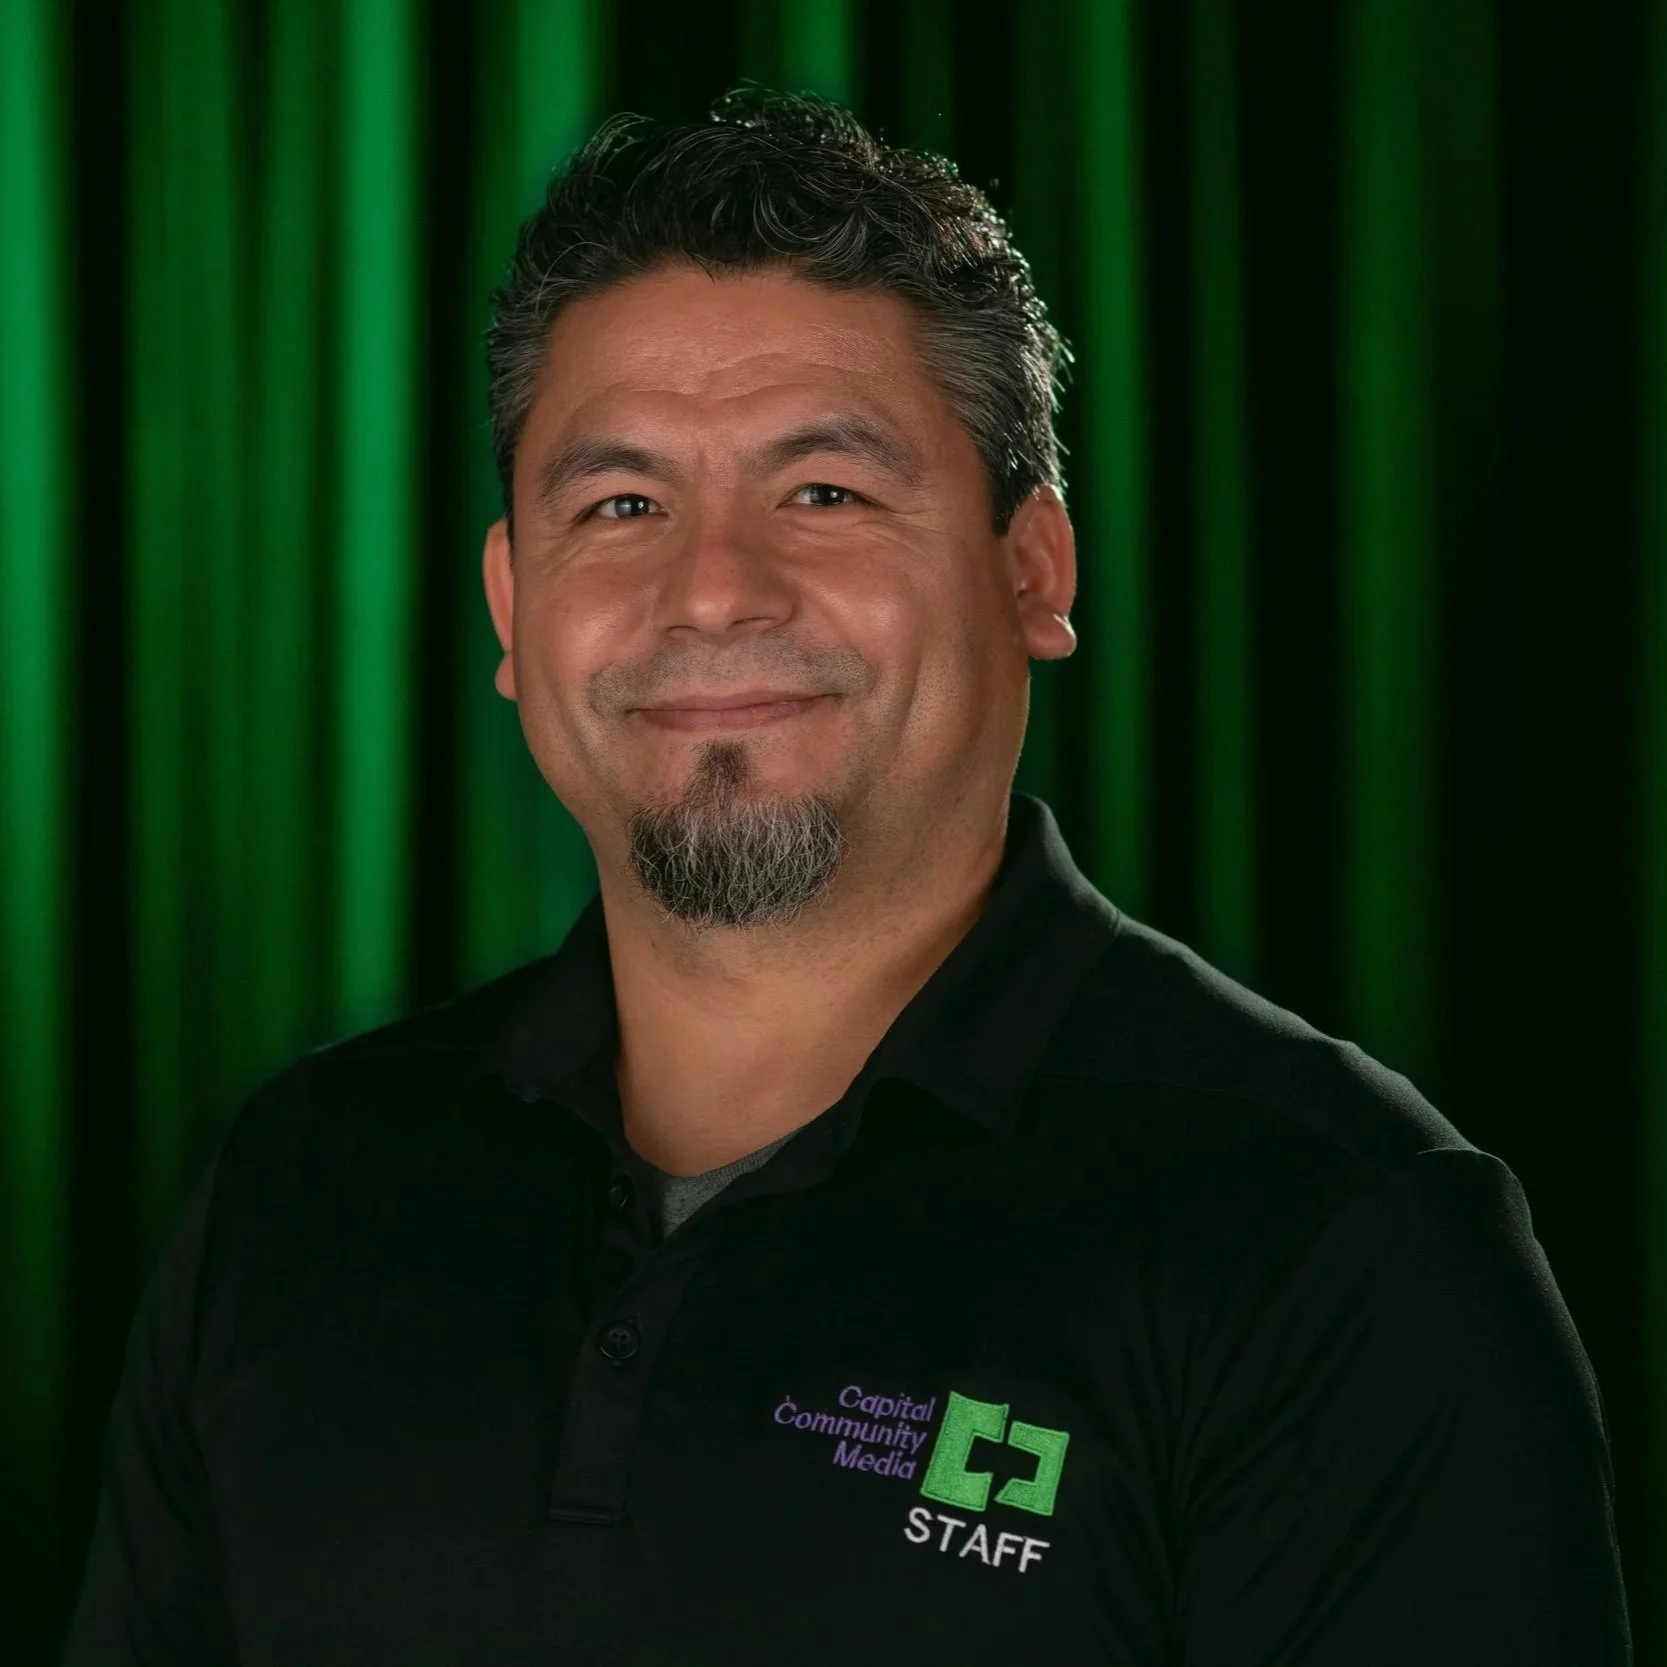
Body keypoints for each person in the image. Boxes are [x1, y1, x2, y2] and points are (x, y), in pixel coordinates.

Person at [62, 90, 1630, 1665]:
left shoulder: (1335, 1244)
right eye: (619, 506)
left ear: (1032, 568)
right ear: (510, 603)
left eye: (824, 491)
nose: (715, 588)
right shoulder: (295, 1189)